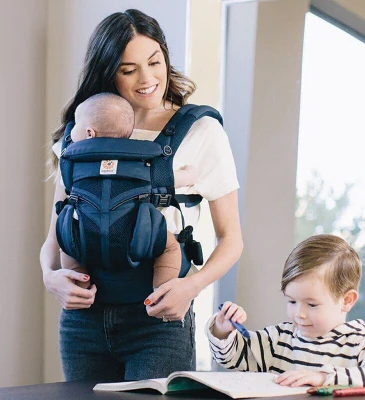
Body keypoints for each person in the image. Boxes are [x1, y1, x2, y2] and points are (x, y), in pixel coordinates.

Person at [40, 8, 243, 382]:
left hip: (158, 321)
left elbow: (232, 240)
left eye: (154, 62)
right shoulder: (82, 132)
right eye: (129, 70)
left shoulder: (201, 131)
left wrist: (190, 288)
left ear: (166, 56)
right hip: (83, 321)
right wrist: (50, 277)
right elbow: (56, 235)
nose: (148, 79)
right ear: (108, 72)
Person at [207, 234, 365, 390]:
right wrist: (222, 330)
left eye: (312, 304)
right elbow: (231, 357)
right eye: (292, 301)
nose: (299, 314)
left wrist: (324, 377)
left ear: (346, 300)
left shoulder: (361, 343)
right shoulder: (279, 339)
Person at [60, 92, 197, 290]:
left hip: (87, 234)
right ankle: (161, 291)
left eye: (76, 124)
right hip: (137, 235)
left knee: (67, 246)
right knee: (170, 248)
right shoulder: (140, 164)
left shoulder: (74, 166)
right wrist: (189, 174)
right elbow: (169, 179)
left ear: (90, 133)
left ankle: (81, 284)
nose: (71, 131)